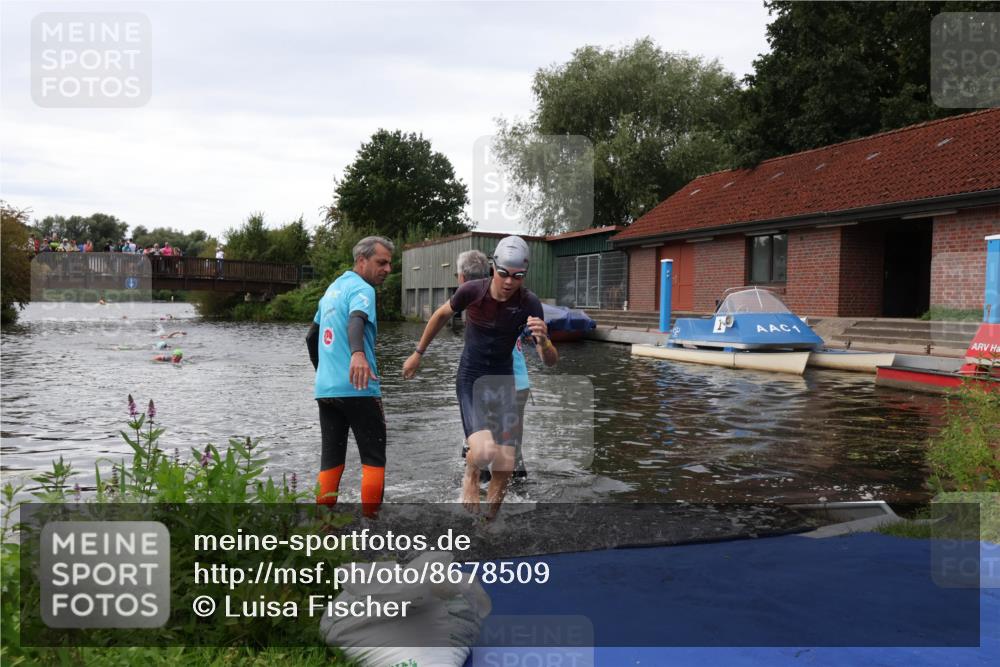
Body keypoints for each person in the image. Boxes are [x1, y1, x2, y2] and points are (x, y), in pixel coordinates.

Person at [403, 236, 557, 519]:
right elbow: (440, 316)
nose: (509, 282)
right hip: (471, 378)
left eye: (518, 276)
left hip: (504, 381)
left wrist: (544, 340)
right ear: (493, 268)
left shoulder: (529, 303)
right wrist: (418, 353)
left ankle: (488, 524)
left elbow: (549, 362)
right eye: (503, 274)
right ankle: (470, 475)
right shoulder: (472, 291)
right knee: (484, 451)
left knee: (506, 463)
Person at [306, 236, 393, 517]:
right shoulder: (362, 289)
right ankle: (372, 525)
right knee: (373, 459)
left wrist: (324, 372)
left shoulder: (332, 289)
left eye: (390, 263)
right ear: (361, 261)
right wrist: (357, 353)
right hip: (359, 388)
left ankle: (323, 524)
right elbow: (357, 320)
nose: (388, 268)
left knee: (331, 459)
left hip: (326, 389)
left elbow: (311, 337)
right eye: (381, 262)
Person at [454, 250, 530, 483]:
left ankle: (477, 486)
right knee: (509, 447)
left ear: (462, 280)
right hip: (519, 381)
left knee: (484, 444)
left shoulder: (475, 299)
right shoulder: (511, 300)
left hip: (497, 380)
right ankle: (513, 495)